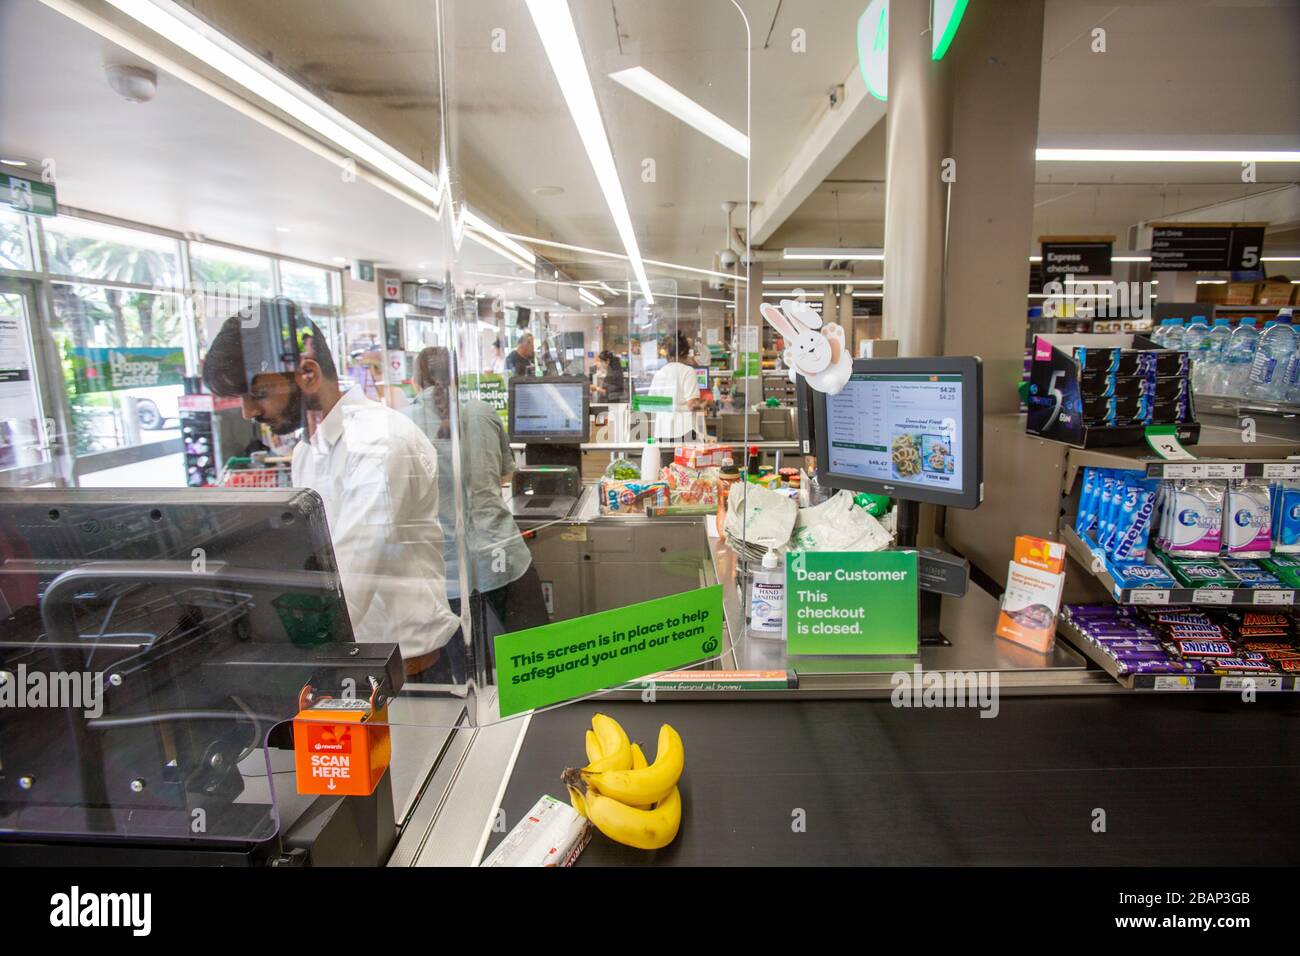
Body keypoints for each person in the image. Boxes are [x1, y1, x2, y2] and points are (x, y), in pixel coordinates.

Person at [201, 311, 459, 680]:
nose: (248, 412)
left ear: (308, 373)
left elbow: (350, 577)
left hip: (401, 671)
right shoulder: (309, 450)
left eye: (257, 393)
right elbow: (314, 562)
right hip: (351, 660)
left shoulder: (380, 443)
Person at [403, 347, 550, 681]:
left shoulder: (404, 422)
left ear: (416, 380)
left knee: (468, 679)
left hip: (448, 575)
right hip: (502, 555)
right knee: (537, 664)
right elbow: (505, 474)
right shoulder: (481, 411)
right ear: (456, 377)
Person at [648, 332, 704, 440]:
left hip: (663, 432)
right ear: (684, 352)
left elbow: (651, 405)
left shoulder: (659, 373)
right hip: (684, 432)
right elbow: (692, 404)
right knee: (686, 458)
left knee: (667, 457)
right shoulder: (688, 371)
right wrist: (705, 404)